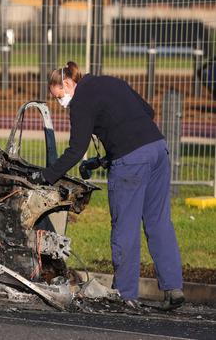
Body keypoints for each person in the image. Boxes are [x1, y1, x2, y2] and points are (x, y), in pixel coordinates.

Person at [31, 61, 184, 310]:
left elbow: (75, 149)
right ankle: (173, 289)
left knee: (125, 227)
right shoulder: (111, 81)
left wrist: (46, 176)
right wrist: (102, 159)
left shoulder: (80, 101)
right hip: (157, 150)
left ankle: (126, 295)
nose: (61, 103)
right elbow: (147, 113)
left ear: (68, 84)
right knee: (159, 222)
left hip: (130, 163)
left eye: (59, 96)